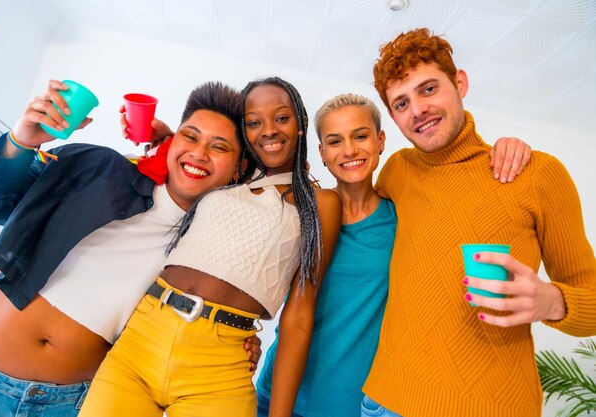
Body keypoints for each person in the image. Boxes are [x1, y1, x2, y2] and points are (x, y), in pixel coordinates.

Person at [0, 80, 262, 417]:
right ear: (173, 139)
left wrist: (237, 344)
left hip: (66, 405)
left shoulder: (208, 252)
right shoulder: (97, 166)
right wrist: (19, 141)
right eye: (191, 136)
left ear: (239, 169)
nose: (198, 153)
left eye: (220, 147)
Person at [362, 28, 596, 417]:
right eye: (401, 102)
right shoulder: (396, 173)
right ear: (393, 117)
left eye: (428, 89)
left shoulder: (537, 174)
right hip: (384, 400)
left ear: (460, 83)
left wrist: (554, 301)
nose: (417, 109)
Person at [255, 90, 532, 416]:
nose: (349, 150)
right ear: (322, 152)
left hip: (353, 404)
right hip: (279, 397)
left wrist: (504, 149)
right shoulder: (299, 211)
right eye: (334, 141)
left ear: (380, 140)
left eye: (360, 136)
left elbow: (458, 191)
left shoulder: (402, 218)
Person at [77, 76, 342, 417]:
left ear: (300, 124)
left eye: (282, 117)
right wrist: (168, 136)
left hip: (221, 365)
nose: (269, 130)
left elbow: (300, 316)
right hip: (141, 339)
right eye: (253, 122)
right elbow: (198, 157)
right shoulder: (231, 178)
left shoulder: (320, 203)